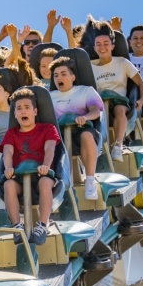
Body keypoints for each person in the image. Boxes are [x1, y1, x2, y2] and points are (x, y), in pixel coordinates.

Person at [1, 88, 60, 245]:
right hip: (20, 179)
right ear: (14, 114)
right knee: (8, 185)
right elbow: (7, 152)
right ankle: (17, 227)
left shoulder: (48, 129)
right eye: (19, 109)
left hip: (42, 175)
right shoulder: (11, 133)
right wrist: (8, 168)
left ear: (35, 111)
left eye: (27, 107)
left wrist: (46, 166)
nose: (23, 112)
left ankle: (42, 225)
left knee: (45, 182)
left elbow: (50, 149)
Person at [49, 57, 104, 200]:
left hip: (82, 130)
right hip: (60, 134)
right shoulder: (49, 96)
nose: (59, 78)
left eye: (63, 74)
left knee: (86, 135)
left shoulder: (85, 91)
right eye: (56, 75)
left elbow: (96, 110)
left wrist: (85, 117)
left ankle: (90, 181)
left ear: (73, 77)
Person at [90, 21, 143, 161]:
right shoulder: (90, 66)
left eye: (106, 43)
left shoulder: (122, 62)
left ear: (112, 46)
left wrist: (141, 99)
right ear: (94, 48)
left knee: (120, 109)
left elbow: (141, 84)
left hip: (119, 102)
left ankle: (117, 146)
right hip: (100, 103)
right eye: (98, 44)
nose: (102, 47)